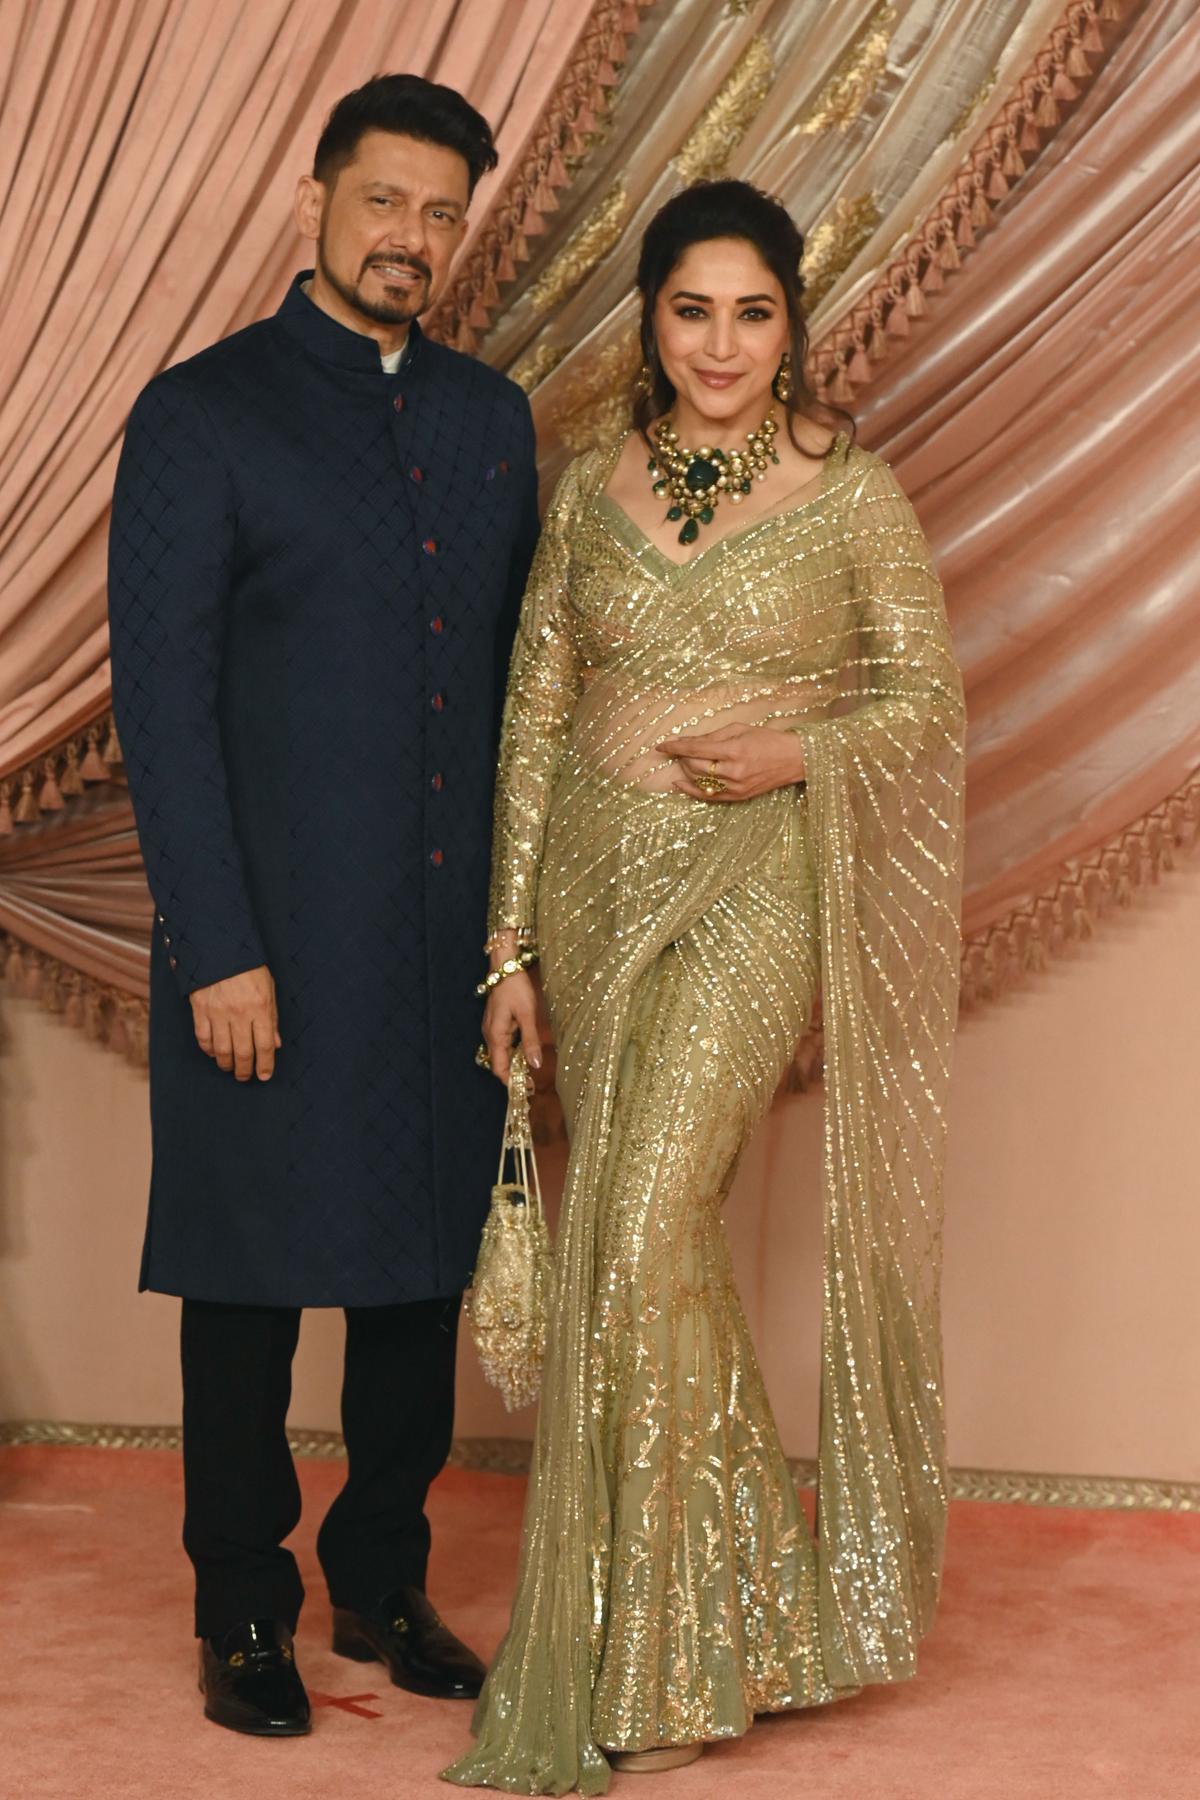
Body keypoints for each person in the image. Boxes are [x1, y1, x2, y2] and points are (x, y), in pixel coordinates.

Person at [445, 179, 966, 1794]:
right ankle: (738, 1619)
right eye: (692, 310)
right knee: (636, 1245)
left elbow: (928, 710)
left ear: (792, 321)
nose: (723, 344)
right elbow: (532, 721)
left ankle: (661, 1659)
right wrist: (510, 951)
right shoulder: (591, 489)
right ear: (651, 321)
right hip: (592, 899)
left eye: (753, 311)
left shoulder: (851, 492)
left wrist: (798, 748)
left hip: (750, 893)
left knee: (650, 1217)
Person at [107, 74, 540, 1737]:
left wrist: (509, 949)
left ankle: (381, 1583)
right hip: (263, 949)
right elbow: (163, 703)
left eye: (441, 213)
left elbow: (517, 693)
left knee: (414, 1286)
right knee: (249, 1291)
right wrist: (215, 942)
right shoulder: (201, 413)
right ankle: (242, 1612)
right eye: (386, 202)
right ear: (318, 202)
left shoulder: (488, 421)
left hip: (436, 955)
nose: (411, 239)